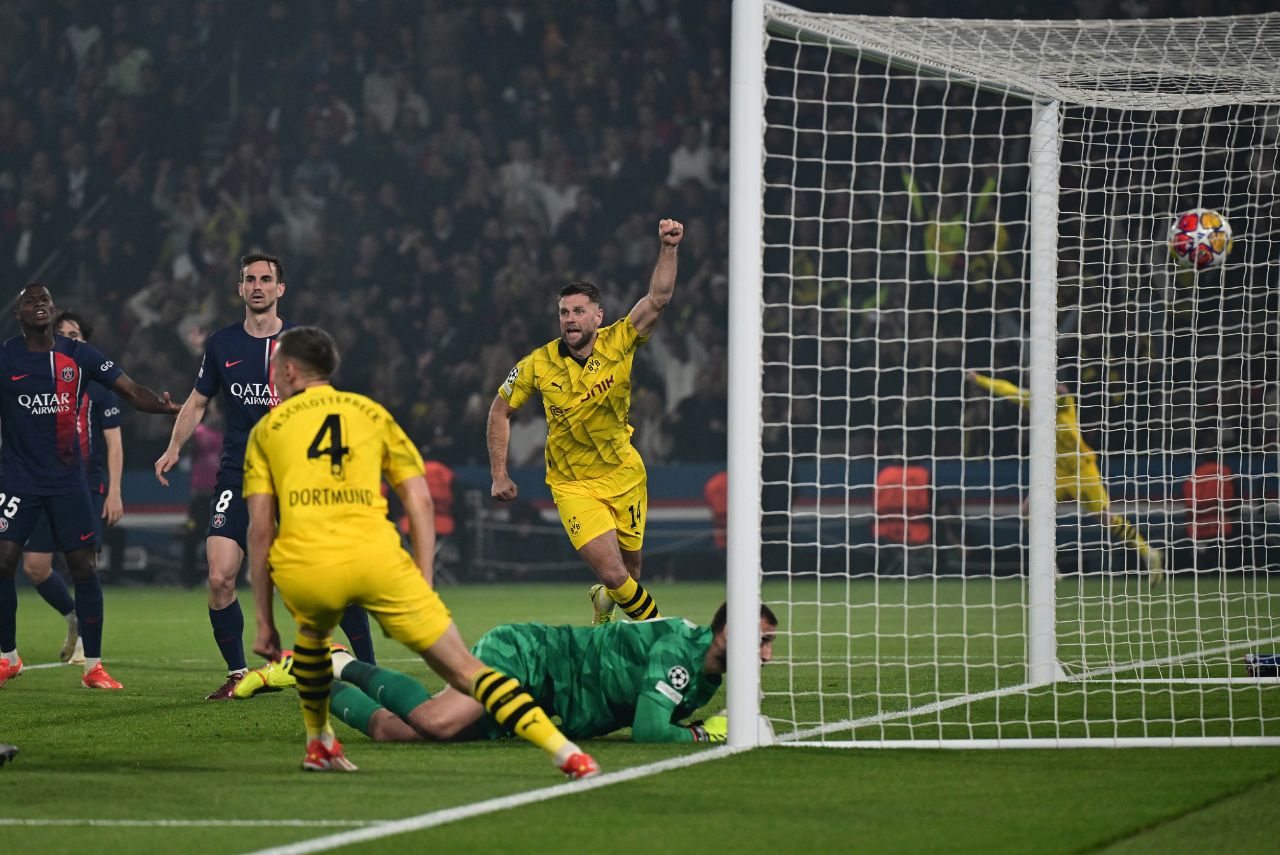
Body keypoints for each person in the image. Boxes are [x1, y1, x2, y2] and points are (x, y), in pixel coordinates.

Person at [244, 326, 599, 777]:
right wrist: (423, 577)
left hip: (307, 565)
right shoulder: (371, 413)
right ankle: (566, 752)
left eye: (276, 368)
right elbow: (420, 500)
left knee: (311, 640)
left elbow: (260, 529)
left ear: (291, 371)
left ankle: (319, 743)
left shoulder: (267, 430)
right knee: (466, 671)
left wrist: (263, 621)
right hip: (377, 558)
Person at [155, 253, 377, 701]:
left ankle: (369, 670)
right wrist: (174, 446)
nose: (257, 286)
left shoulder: (300, 345)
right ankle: (239, 673)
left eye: (266, 279)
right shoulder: (221, 344)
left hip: (296, 476)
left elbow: (325, 407)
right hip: (239, 473)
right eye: (250, 279)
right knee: (220, 576)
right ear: (240, 288)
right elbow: (197, 402)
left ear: (280, 289)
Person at [488, 218, 684, 625]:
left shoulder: (620, 340)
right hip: (572, 483)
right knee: (614, 574)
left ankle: (603, 602)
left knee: (629, 575)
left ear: (598, 316)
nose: (570, 319)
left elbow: (658, 298)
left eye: (579, 311)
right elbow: (499, 410)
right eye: (564, 312)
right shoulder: (537, 364)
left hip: (623, 472)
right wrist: (499, 473)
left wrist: (668, 248)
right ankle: (663, 634)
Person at [0, 284, 179, 690]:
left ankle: (93, 666)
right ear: (18, 314)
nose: (40, 304)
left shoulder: (79, 355)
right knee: (4, 563)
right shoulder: (6, 356)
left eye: (45, 299)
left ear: (53, 308)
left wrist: (167, 408)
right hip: (19, 480)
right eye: (30, 300)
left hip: (68, 480)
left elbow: (130, 390)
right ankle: (7, 657)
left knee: (84, 568)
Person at [316, 602, 776, 746]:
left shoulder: (707, 674)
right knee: (438, 721)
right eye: (762, 641)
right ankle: (341, 661)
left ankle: (317, 680)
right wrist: (705, 734)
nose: (768, 655)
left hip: (544, 698)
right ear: (728, 632)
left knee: (398, 733)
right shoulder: (678, 651)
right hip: (529, 657)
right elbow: (650, 731)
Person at [968, 371, 1163, 581]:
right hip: (1057, 472)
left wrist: (1060, 390)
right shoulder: (1032, 401)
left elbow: (1063, 395)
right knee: (1027, 511)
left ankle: (1147, 552)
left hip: (1082, 468)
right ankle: (1047, 563)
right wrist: (979, 379)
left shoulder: (1063, 402)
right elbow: (1005, 388)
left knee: (1105, 518)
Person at [17, 310, 125, 666]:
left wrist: (114, 491)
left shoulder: (97, 385)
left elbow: (114, 443)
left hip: (85, 484)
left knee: (84, 565)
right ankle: (74, 618)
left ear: (85, 342)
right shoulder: (37, 379)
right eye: (61, 333)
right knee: (35, 567)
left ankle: (87, 648)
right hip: (41, 482)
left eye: (74, 335)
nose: (67, 339)